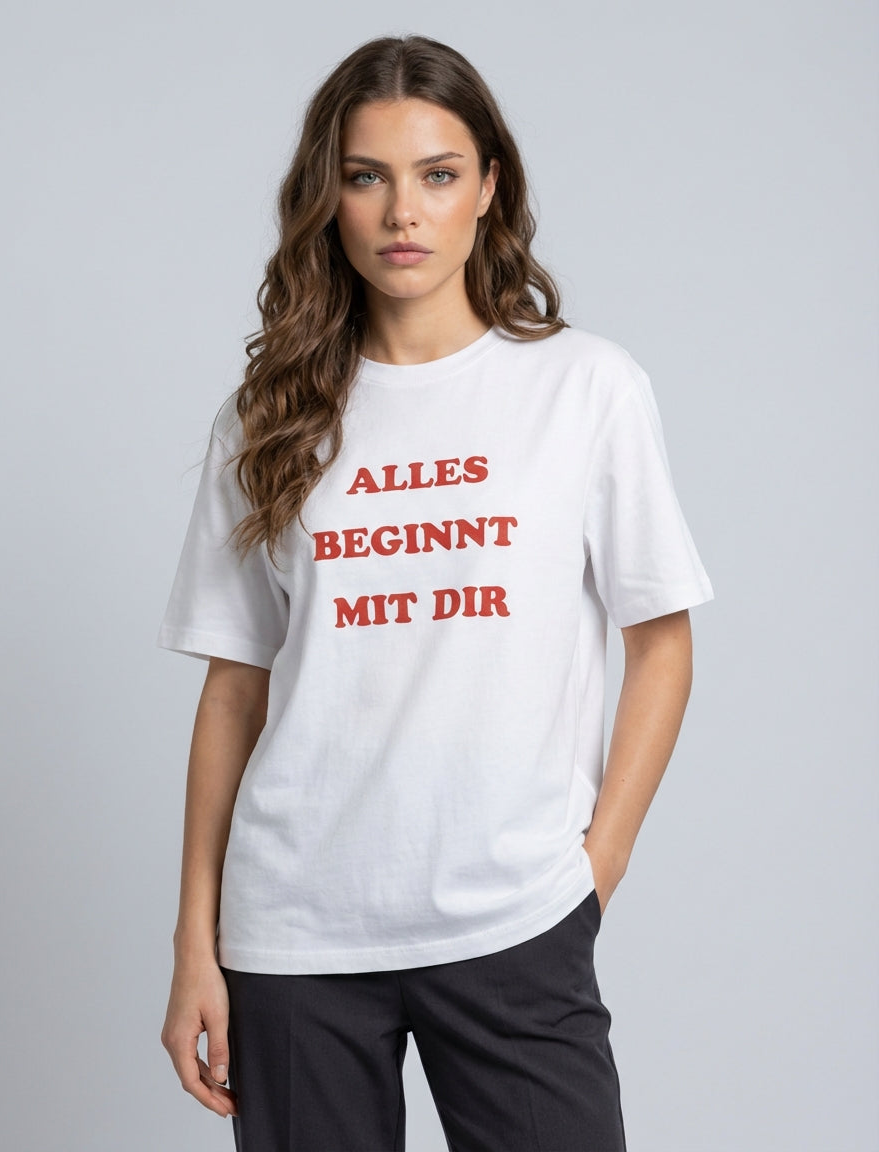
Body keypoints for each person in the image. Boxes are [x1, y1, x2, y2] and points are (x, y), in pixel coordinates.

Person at [157, 33, 713, 1152]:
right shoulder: (267, 417)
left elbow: (661, 641)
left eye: (438, 174)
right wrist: (193, 949)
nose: (401, 212)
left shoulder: (583, 389)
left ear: (488, 186)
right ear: (328, 197)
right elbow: (233, 689)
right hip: (295, 932)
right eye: (366, 176)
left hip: (513, 917)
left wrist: (592, 870)